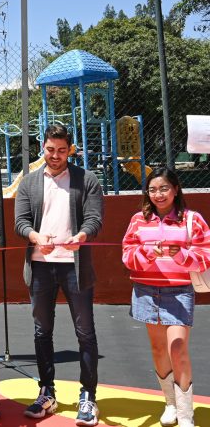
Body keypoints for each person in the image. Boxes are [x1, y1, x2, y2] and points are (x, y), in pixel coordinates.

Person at [14, 125, 103, 425]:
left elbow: (94, 218)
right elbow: (21, 222)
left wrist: (82, 235)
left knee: (85, 332)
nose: (55, 156)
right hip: (40, 265)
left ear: (70, 149)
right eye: (50, 150)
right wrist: (35, 237)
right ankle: (46, 392)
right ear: (43, 146)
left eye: (62, 151)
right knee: (42, 332)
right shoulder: (29, 182)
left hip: (75, 266)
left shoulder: (86, 179)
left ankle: (88, 397)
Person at [122, 168, 210, 427]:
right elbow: (127, 256)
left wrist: (179, 255)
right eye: (152, 189)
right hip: (146, 290)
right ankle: (170, 403)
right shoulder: (138, 219)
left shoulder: (192, 219)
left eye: (163, 189)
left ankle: (185, 415)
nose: (158, 194)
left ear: (175, 189)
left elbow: (205, 255)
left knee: (177, 348)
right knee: (159, 348)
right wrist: (149, 254)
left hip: (179, 291)